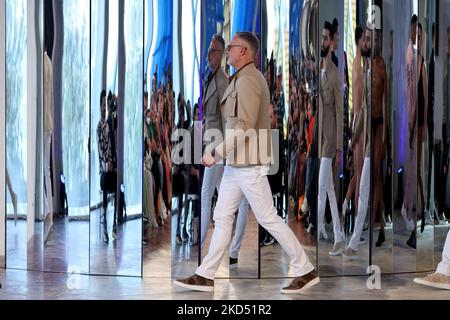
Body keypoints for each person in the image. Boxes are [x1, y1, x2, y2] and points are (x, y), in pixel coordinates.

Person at [174, 32, 318, 293]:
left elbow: (243, 125)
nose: (227, 51)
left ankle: (305, 268)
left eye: (231, 47)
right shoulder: (241, 78)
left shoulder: (249, 80)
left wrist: (216, 152)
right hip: (237, 164)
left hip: (247, 164)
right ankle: (205, 274)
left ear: (244, 51)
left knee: (268, 218)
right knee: (223, 214)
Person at [200, 34, 250, 267]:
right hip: (215, 146)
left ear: (221, 54)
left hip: (219, 148)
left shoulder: (223, 83)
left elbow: (226, 121)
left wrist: (219, 153)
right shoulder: (212, 79)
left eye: (213, 51)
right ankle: (230, 251)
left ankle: (201, 246)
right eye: (209, 50)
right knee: (230, 202)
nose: (209, 54)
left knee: (208, 195)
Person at [343, 28, 372, 259]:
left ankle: (356, 225)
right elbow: (360, 104)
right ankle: (354, 227)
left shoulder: (358, 64)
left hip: (360, 124)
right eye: (365, 39)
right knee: (360, 176)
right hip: (360, 126)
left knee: (360, 177)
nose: (366, 42)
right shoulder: (358, 65)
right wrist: (356, 132)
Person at [317, 21, 344, 255]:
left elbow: (339, 111)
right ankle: (336, 234)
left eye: (326, 38)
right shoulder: (320, 68)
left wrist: (338, 146)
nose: (322, 41)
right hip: (320, 138)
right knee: (329, 190)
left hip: (329, 139)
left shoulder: (335, 74)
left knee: (321, 186)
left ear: (332, 41)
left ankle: (320, 231)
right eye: (322, 37)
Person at [401, 14, 419, 249]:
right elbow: (410, 90)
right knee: (413, 168)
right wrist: (412, 121)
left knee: (415, 169)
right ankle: (407, 207)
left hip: (414, 120)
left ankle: (411, 211)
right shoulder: (410, 54)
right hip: (412, 120)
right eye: (416, 30)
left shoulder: (413, 53)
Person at [97, 90, 117, 243]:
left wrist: (113, 104)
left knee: (117, 181)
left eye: (107, 105)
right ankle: (104, 229)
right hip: (104, 170)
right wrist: (106, 165)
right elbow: (100, 152)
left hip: (112, 167)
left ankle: (114, 224)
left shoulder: (110, 124)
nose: (105, 108)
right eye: (103, 105)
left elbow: (112, 148)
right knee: (105, 180)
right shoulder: (99, 128)